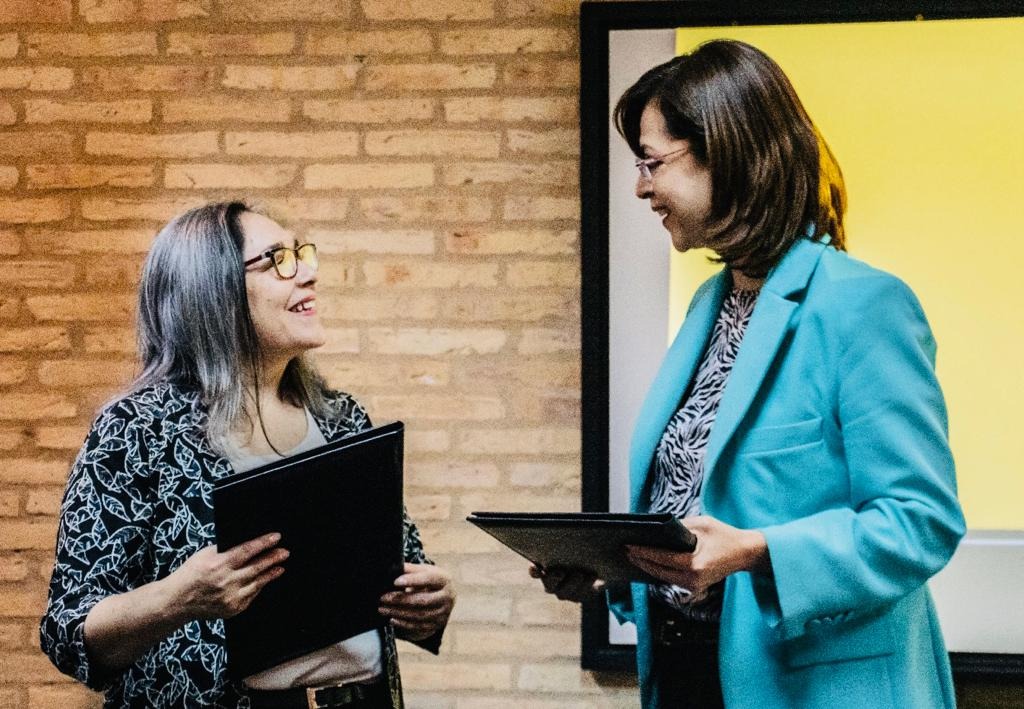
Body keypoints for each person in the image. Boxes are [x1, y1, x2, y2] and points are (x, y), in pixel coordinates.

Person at [530, 39, 965, 708]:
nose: (641, 187)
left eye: (652, 162)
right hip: (690, 676)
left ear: (728, 153)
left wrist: (759, 549)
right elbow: (698, 520)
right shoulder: (711, 303)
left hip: (818, 689)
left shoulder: (863, 305)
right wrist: (611, 573)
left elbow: (920, 522)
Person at [40, 201, 455, 709]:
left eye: (301, 253)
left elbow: (402, 568)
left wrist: (429, 603)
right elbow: (68, 633)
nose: (308, 271)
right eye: (277, 258)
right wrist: (179, 598)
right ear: (211, 290)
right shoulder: (138, 428)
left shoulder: (342, 419)